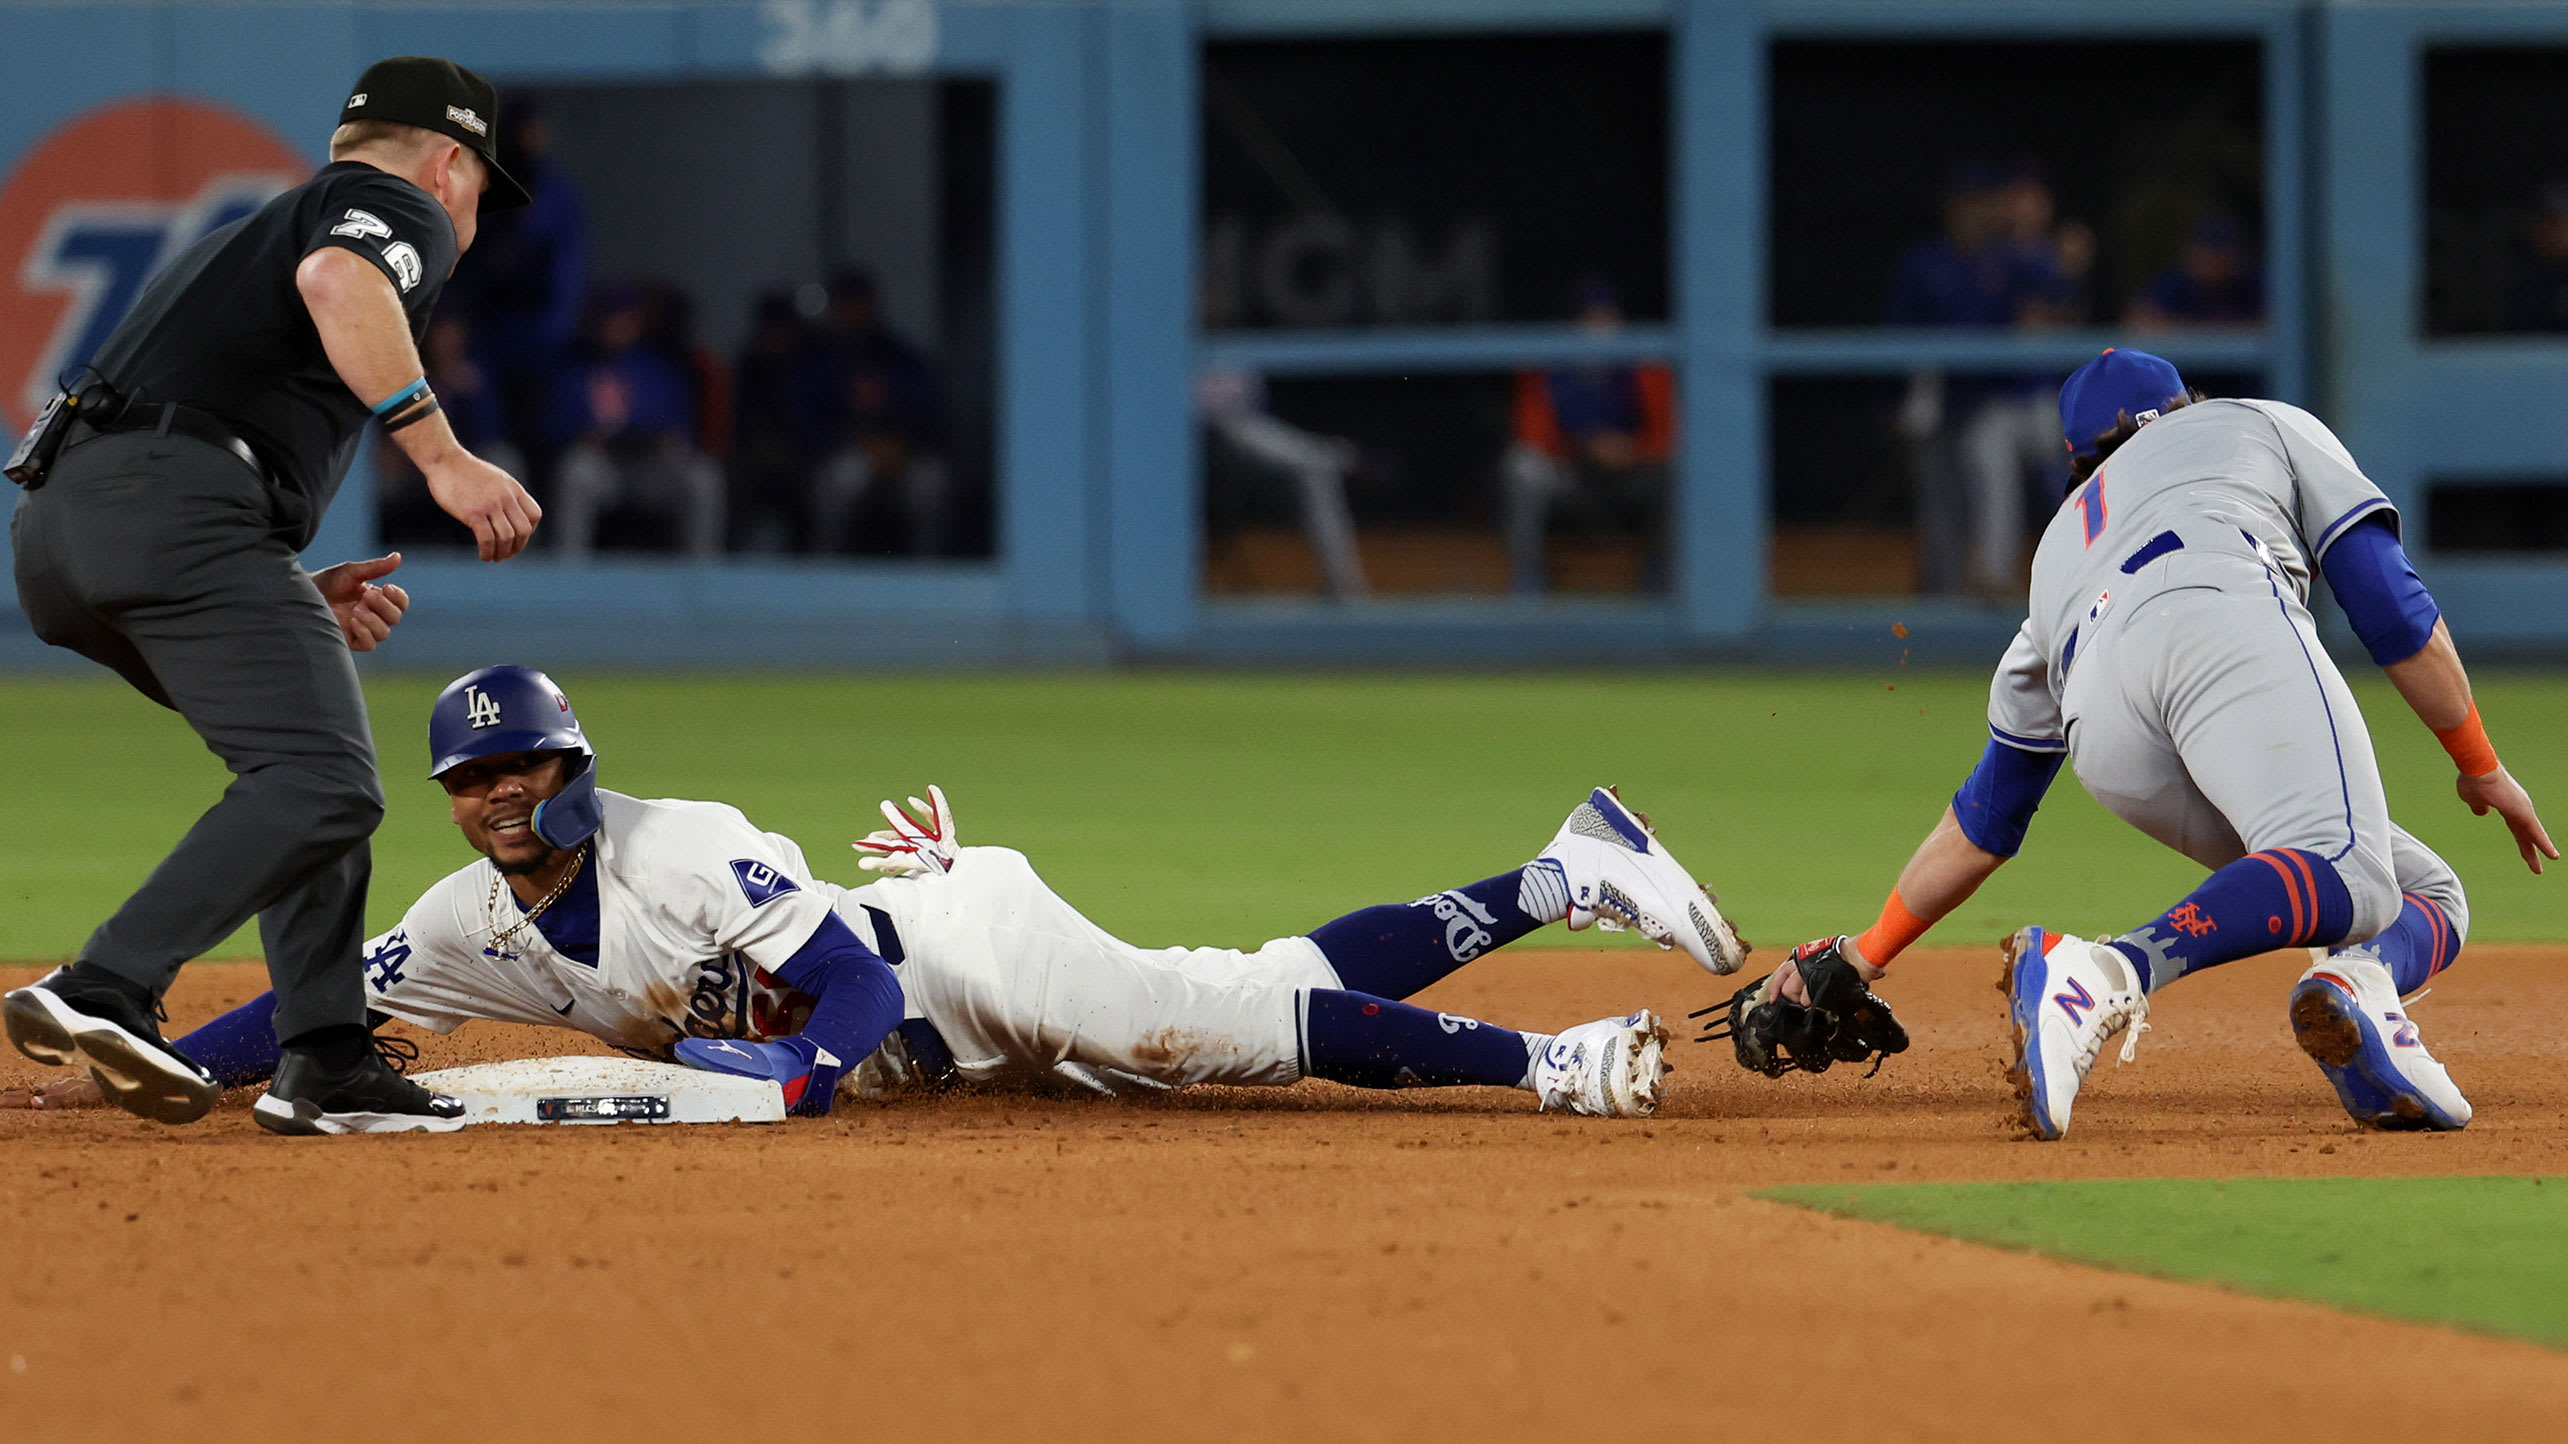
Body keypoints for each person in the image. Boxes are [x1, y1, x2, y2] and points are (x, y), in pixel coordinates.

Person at [7, 667, 1748, 1120]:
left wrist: (816, 1072)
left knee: (1215, 1029)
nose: (496, 795)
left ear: (573, 765)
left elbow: (842, 981)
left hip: (956, 952)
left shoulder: (678, 842)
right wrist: (151, 1054)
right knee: (1250, 965)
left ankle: (1554, 1064)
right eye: (471, 777)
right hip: (925, 1022)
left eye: (522, 766)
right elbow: (320, 1012)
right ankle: (1554, 865)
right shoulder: (466, 926)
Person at [1761, 348, 2555, 1141]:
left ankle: (2361, 993)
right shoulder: (2257, 422)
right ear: (2183, 404)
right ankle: (2107, 972)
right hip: (2217, 613)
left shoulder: (2055, 558)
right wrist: (2480, 765)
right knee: (2348, 873)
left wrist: (1863, 952)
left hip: (2105, 734)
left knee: (2423, 895)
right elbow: (2390, 604)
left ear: (2078, 465)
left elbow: (1986, 819)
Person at [2, 57, 543, 1135]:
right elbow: (342, 284)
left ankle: (326, 1058)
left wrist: (289, 591)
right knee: (322, 778)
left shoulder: (258, 229)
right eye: (480, 180)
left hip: (68, 532)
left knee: (308, 764)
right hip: (175, 506)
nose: (473, 205)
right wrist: (440, 458)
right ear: (449, 161)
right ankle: (106, 982)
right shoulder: (397, 206)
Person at [1885, 160, 2075, 597]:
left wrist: (2066, 267)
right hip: (1939, 404)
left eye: (1982, 203)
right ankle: (1945, 602)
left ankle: (2052, 579)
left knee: (2040, 470)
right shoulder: (1925, 262)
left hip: (1994, 402)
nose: (1974, 213)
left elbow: (2057, 301)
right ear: (1950, 208)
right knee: (1942, 509)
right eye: (1966, 204)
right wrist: (1897, 403)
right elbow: (1896, 335)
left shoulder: (2008, 259)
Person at [1500, 280, 1677, 596]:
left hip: (1630, 475)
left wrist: (1631, 451)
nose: (1600, 329)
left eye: (1608, 319)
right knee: (1522, 467)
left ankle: (1662, 573)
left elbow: (1669, 436)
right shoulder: (1546, 366)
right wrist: (1584, 448)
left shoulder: (1647, 366)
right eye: (1590, 319)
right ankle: (1528, 577)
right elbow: (1531, 435)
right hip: (1570, 476)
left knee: (1678, 471)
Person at [547, 285, 725, 557]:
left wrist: (662, 439)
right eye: (610, 319)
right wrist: (585, 437)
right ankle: (569, 573)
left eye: (625, 320)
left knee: (703, 477)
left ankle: (702, 577)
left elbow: (681, 429)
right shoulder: (573, 367)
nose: (618, 327)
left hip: (651, 466)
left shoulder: (658, 369)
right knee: (576, 473)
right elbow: (552, 429)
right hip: (604, 466)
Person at [803, 270, 952, 557]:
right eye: (845, 305)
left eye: (859, 305)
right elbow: (807, 425)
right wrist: (857, 443)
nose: (853, 313)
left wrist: (901, 445)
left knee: (931, 482)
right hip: (843, 454)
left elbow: (930, 416)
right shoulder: (817, 361)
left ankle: (927, 571)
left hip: (903, 456)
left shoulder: (900, 357)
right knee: (846, 479)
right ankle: (826, 566)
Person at [1198, 363, 1369, 599]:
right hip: (1201, 451)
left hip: (1253, 448)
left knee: (1316, 474)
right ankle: (1338, 457)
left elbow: (1259, 415)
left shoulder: (1235, 356)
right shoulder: (1166, 349)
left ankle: (1342, 585)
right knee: (1313, 463)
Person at [375, 313, 524, 547]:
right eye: (442, 333)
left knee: (505, 460)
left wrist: (467, 397)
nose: (447, 341)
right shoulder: (409, 374)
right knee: (380, 473)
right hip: (415, 464)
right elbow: (386, 424)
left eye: (453, 333)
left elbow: (491, 434)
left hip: (468, 461)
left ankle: (505, 550)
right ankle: (387, 550)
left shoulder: (474, 379)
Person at [2125, 212, 2264, 329]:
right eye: (2207, 253)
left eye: (2221, 255)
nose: (2212, 263)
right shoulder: (2177, 280)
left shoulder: (2247, 282)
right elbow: (2138, 321)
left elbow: (2275, 324)